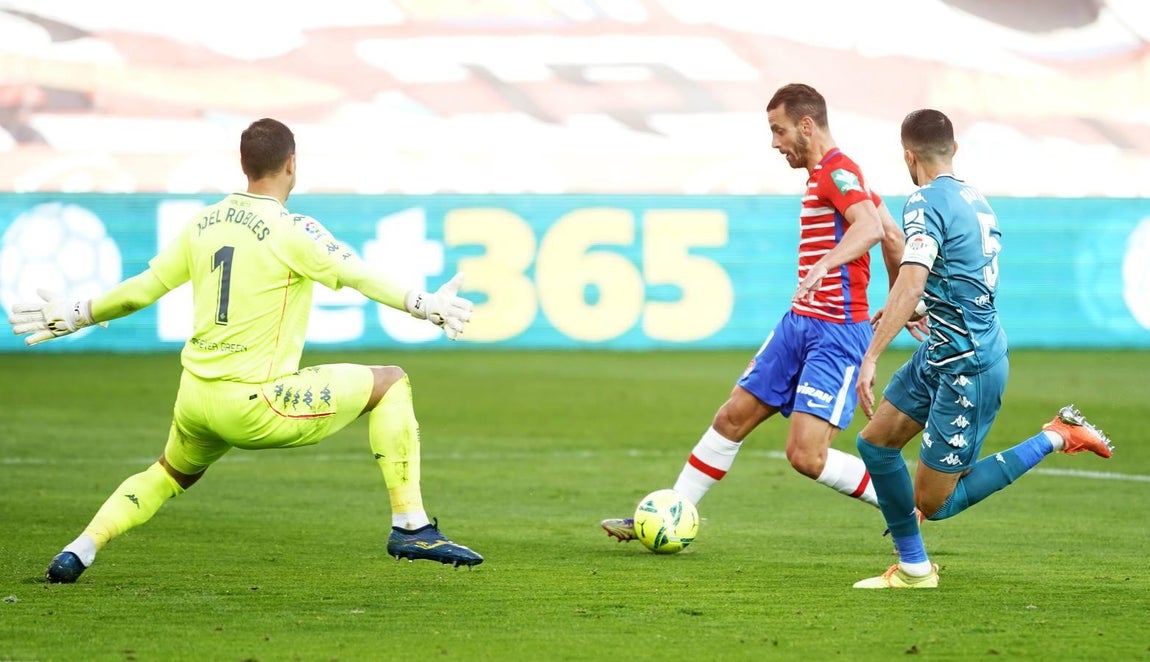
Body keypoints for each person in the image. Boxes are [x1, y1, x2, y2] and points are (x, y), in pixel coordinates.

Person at [8, 118, 484, 583]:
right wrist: (426, 306)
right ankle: (411, 526)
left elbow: (142, 290)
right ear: (292, 164)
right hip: (255, 402)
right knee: (391, 382)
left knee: (168, 473)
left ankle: (80, 549)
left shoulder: (203, 224)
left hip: (195, 399)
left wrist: (76, 313)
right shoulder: (293, 230)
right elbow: (359, 275)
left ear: (243, 164)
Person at [601, 83, 910, 542]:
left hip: (836, 334)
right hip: (798, 323)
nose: (774, 143)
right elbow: (888, 231)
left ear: (806, 126)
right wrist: (905, 293)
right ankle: (671, 511)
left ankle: (906, 504)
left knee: (806, 456)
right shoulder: (830, 174)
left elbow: (868, 227)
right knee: (731, 417)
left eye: (778, 130)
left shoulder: (838, 170)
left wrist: (830, 263)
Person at [851, 109, 1113, 589]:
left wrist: (872, 354)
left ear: (909, 156)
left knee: (935, 503)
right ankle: (913, 569)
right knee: (874, 443)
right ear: (955, 150)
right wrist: (925, 310)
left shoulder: (922, 201)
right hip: (943, 349)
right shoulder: (977, 201)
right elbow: (959, 276)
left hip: (967, 366)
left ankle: (1058, 434)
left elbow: (912, 280)